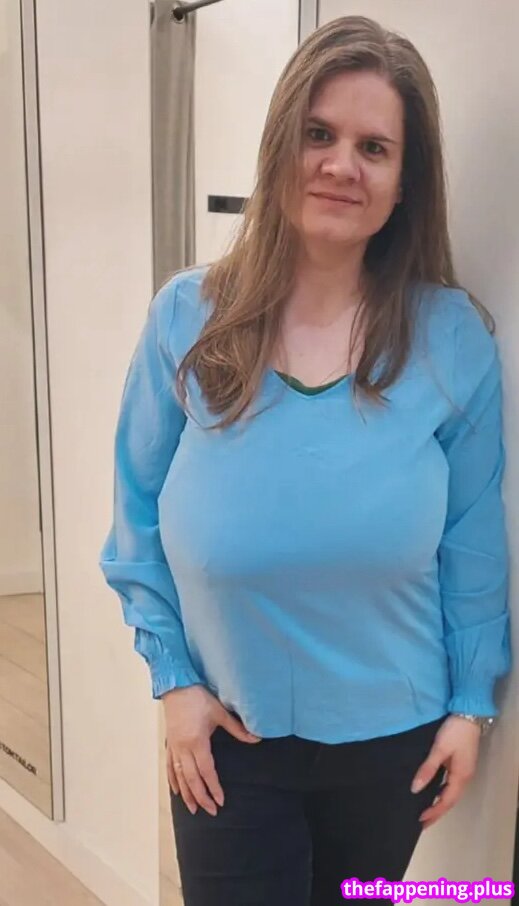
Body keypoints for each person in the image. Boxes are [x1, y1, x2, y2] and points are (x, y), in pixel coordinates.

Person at [99, 14, 512, 906]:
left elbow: (473, 540)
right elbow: (135, 519)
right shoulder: (186, 318)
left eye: (374, 148)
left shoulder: (451, 338)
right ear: (278, 145)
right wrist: (173, 683)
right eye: (317, 134)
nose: (339, 166)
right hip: (228, 735)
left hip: (393, 745)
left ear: (404, 183)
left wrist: (471, 705)